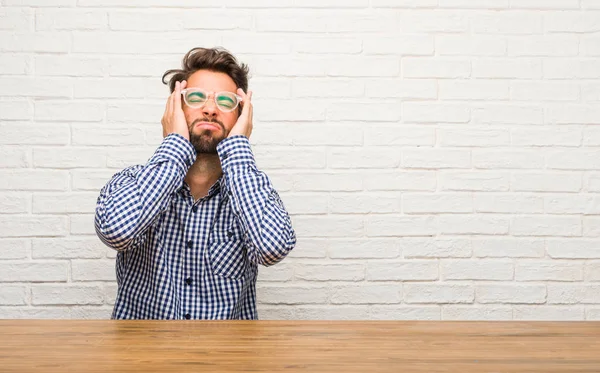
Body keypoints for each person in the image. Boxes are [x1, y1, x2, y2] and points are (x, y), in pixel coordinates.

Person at [94, 47, 296, 320]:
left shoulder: (252, 194)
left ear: (241, 116)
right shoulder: (132, 183)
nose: (211, 109)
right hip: (142, 360)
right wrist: (174, 144)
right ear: (174, 109)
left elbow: (272, 249)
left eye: (226, 102)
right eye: (196, 98)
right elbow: (117, 232)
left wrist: (238, 148)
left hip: (225, 359)